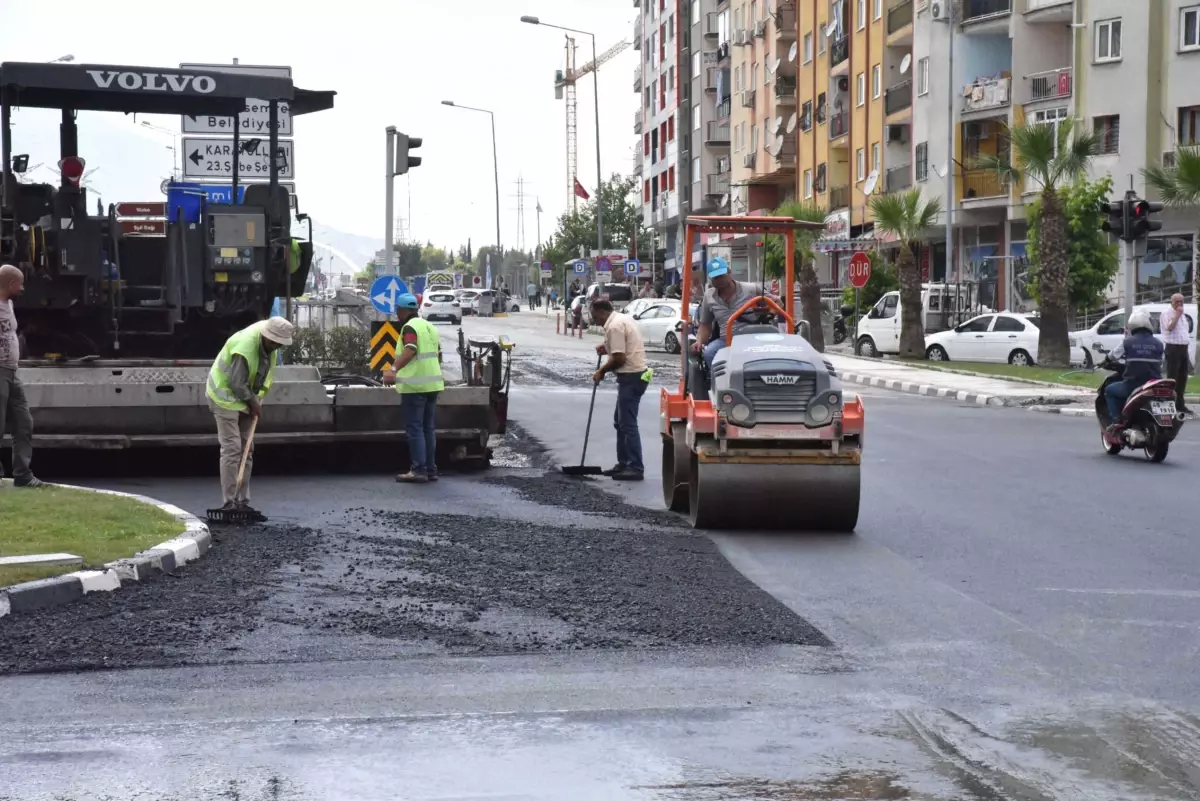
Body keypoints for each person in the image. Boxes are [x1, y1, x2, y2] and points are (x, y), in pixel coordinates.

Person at [205, 316, 295, 518]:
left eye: (280, 343)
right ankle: (229, 502)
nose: (277, 346)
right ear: (266, 337)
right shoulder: (245, 348)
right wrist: (253, 402)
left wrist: (256, 400)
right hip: (224, 398)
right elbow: (237, 383)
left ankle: (242, 501)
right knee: (232, 448)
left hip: (246, 399)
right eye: (275, 342)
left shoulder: (270, 346)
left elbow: (262, 376)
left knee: (248, 448)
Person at [383, 293, 445, 483]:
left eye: (398, 310)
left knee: (415, 428)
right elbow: (439, 355)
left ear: (402, 310)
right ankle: (430, 469)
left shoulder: (409, 327)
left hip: (415, 385)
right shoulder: (429, 326)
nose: (397, 314)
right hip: (433, 384)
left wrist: (393, 369)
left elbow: (410, 349)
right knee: (428, 428)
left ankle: (418, 469)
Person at [589, 299, 651, 482]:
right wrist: (606, 347)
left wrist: (601, 371)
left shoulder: (614, 326)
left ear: (601, 312)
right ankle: (623, 463)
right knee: (620, 422)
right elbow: (620, 347)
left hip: (631, 377)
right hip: (636, 376)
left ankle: (635, 467)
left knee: (627, 424)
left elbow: (620, 358)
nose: (595, 321)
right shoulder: (622, 319)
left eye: (595, 316)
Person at [0, 264, 46, 488]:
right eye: (20, 283)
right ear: (10, 284)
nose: (23, 287)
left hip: (11, 371)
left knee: (23, 423)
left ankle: (23, 475)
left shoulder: (8, 304)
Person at [690, 256, 777, 374]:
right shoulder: (709, 296)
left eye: (721, 275)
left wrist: (768, 316)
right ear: (711, 279)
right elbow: (705, 325)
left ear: (729, 273)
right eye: (715, 277)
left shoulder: (751, 289)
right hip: (726, 340)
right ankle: (721, 384)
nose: (719, 280)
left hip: (753, 337)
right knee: (710, 352)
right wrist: (699, 341)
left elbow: (777, 303)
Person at [1105, 309, 1165, 435]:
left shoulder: (1127, 342)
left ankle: (1116, 422)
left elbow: (1112, 356)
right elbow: (1162, 361)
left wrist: (1105, 360)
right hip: (1153, 384)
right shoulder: (1159, 344)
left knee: (1110, 390)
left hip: (1133, 384)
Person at [1160, 293, 1190, 415]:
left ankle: (1180, 404)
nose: (1179, 304)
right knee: (1173, 377)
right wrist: (1177, 316)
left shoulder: (1183, 315)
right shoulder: (1166, 313)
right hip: (1173, 348)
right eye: (1176, 302)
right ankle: (1169, 403)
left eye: (1181, 302)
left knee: (1183, 377)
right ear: (1171, 302)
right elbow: (1169, 327)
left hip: (1183, 348)